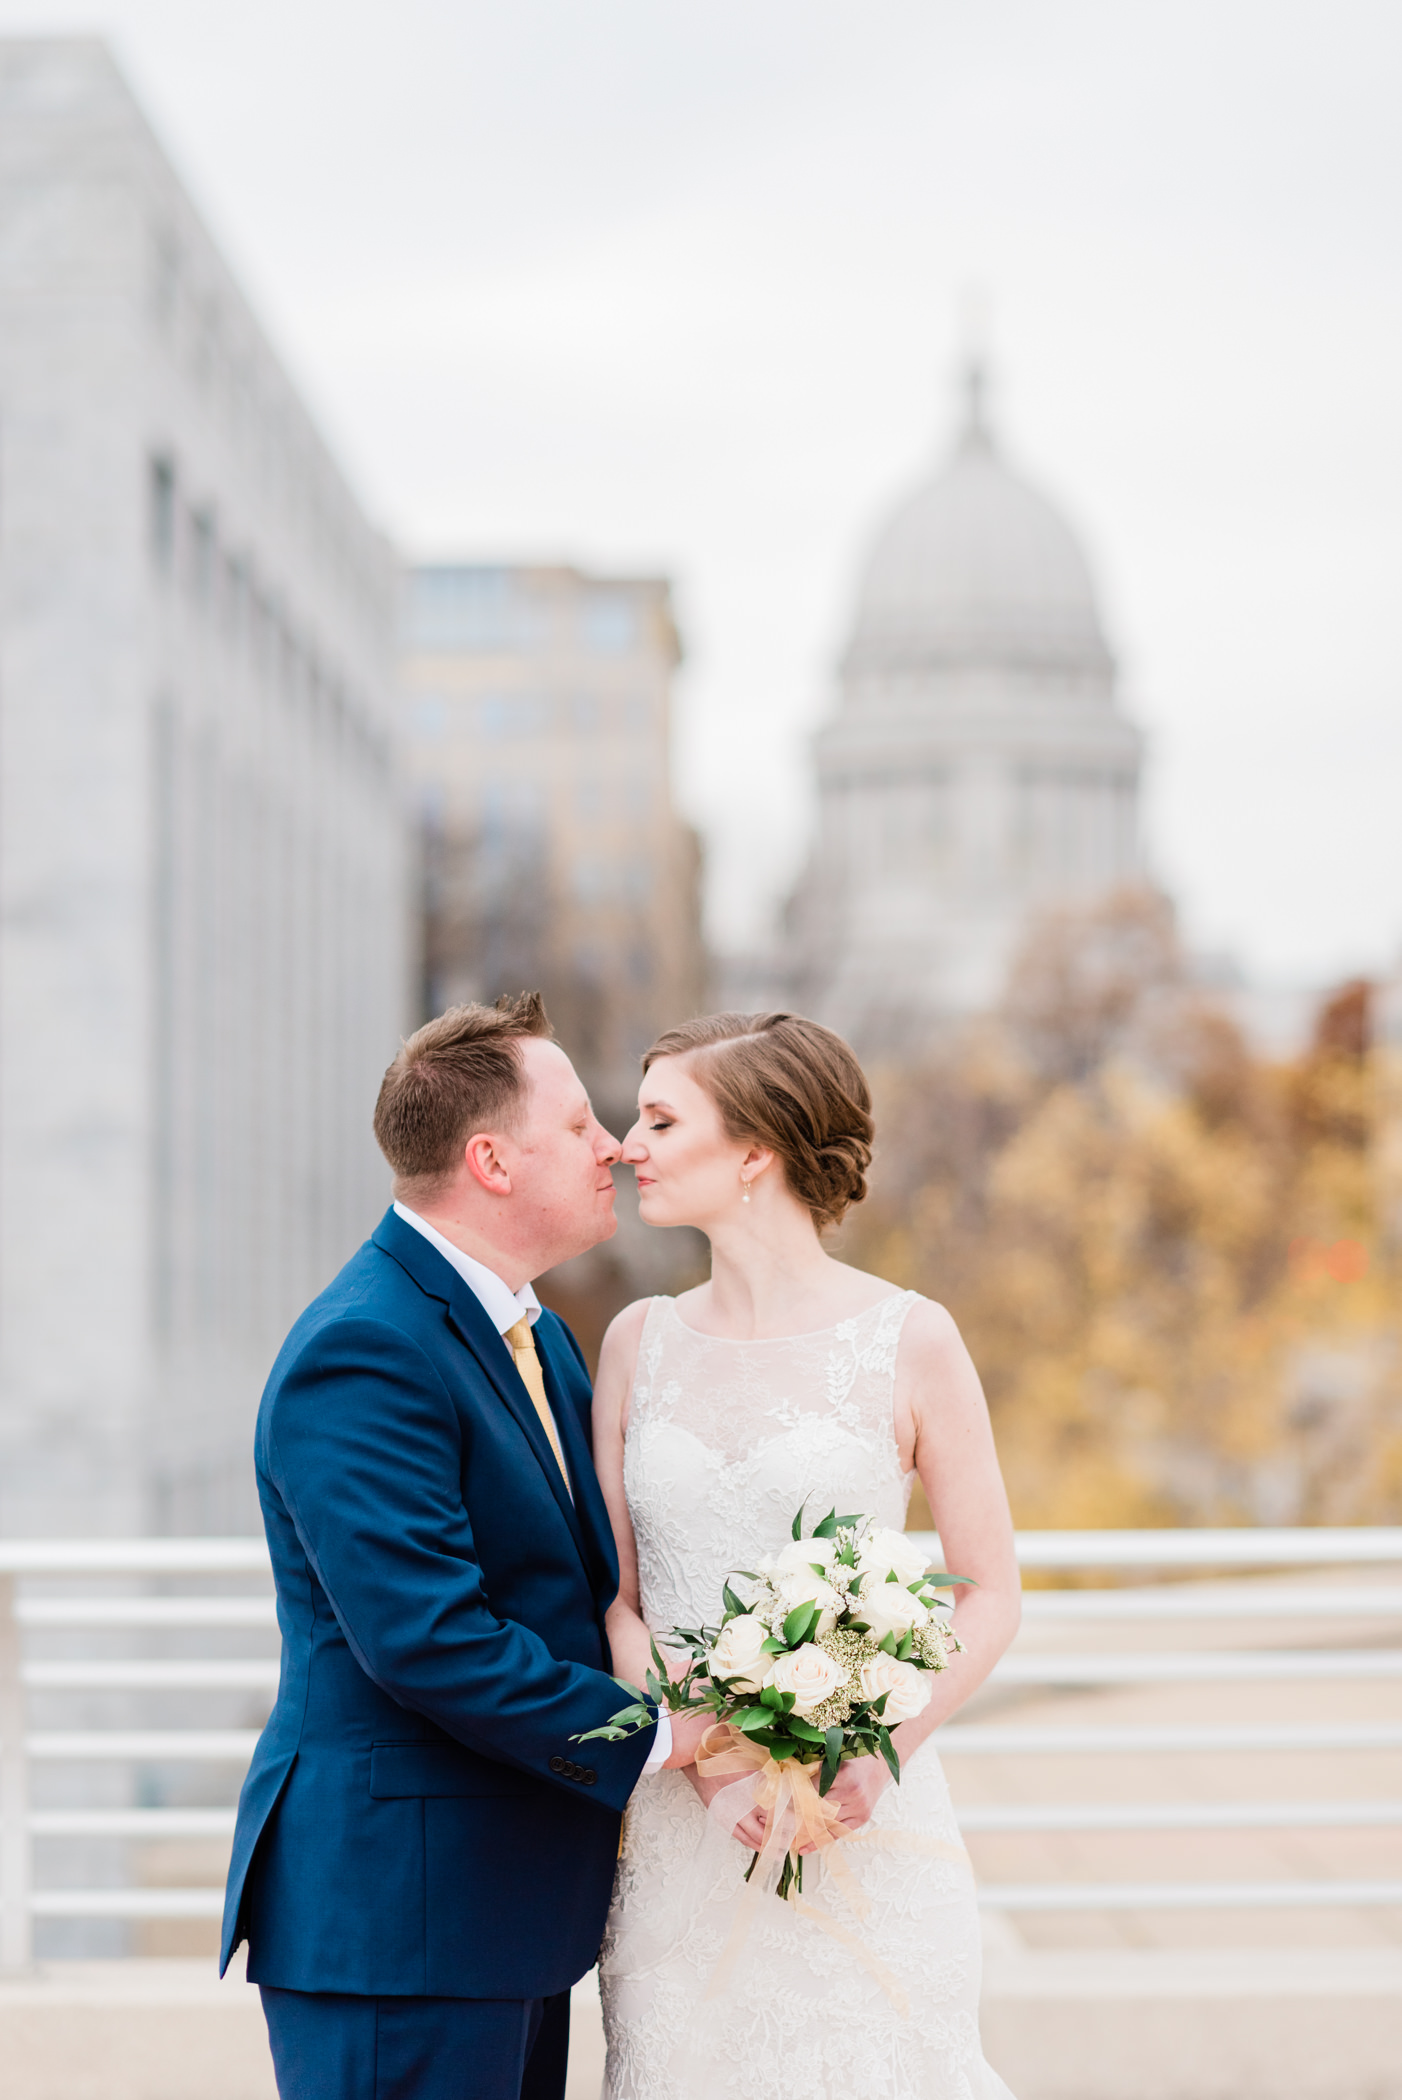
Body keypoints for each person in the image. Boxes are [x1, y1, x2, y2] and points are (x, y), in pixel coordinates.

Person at [220, 994, 708, 2100]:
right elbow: (428, 1639)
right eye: (581, 1126)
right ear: (491, 1160)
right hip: (401, 1921)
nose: (613, 1147)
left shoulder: (539, 1334)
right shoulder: (363, 1349)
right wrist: (663, 1736)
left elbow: (575, 1584)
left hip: (504, 1913)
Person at [592, 1010, 1022, 2100]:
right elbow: (619, 1600)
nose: (625, 1144)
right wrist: (712, 1766)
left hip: (867, 1828)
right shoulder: (636, 1341)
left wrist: (880, 1752)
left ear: (752, 1152)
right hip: (686, 1834)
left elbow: (989, 1592)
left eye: (657, 1118)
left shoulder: (911, 1337)